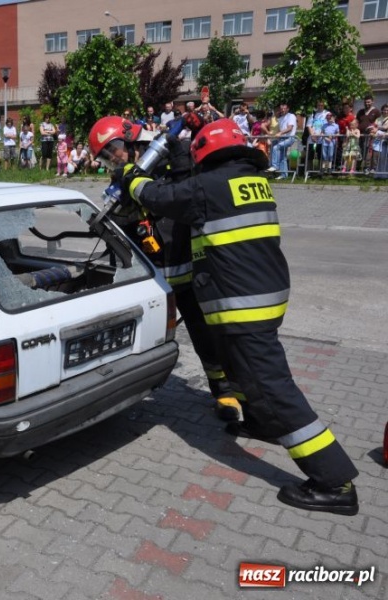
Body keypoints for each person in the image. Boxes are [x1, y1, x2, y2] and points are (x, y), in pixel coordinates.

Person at [120, 119, 360, 515]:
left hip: (243, 303)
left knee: (274, 388)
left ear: (205, 156)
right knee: (240, 368)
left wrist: (131, 176)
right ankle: (262, 423)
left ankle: (334, 481)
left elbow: (159, 196)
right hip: (265, 294)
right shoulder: (253, 181)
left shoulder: (207, 187)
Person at [89, 115, 241, 422]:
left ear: (132, 140)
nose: (114, 158)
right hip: (153, 279)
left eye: (115, 148)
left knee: (206, 333)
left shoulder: (170, 164)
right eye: (106, 157)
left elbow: (190, 194)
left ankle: (224, 389)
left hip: (189, 271)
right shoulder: (121, 182)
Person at [268, 103, 297, 180]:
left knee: (276, 148)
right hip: (282, 138)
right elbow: (277, 129)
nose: (283, 110)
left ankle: (275, 166)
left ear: (288, 109)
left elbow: (290, 128)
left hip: (290, 138)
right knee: (282, 157)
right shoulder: (280, 118)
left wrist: (280, 133)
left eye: (284, 108)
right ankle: (284, 175)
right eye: (281, 109)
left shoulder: (291, 116)